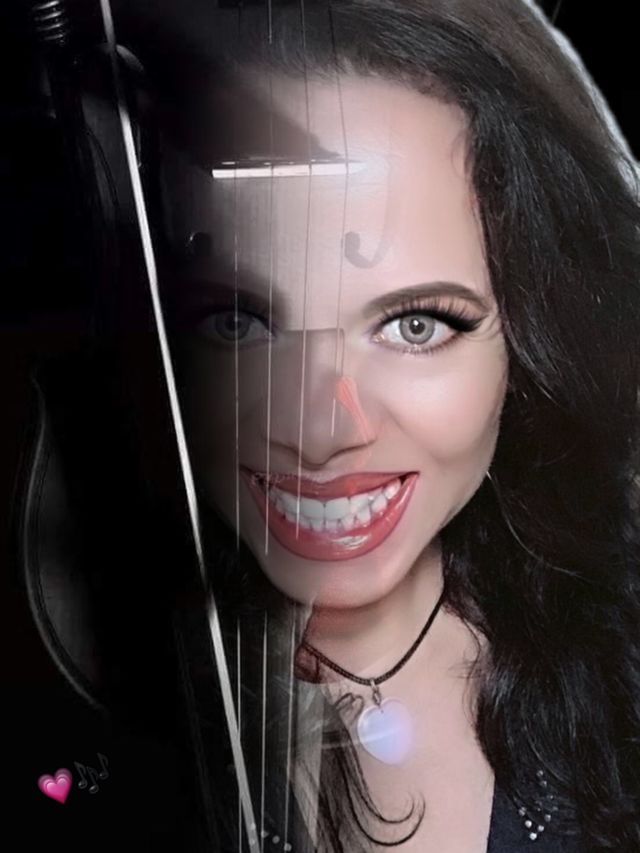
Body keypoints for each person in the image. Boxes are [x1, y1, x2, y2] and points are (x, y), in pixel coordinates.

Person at [20, 1, 640, 851]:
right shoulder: (87, 718)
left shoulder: (619, 652)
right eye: (237, 320)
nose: (321, 432)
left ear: (530, 338)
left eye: (415, 323)